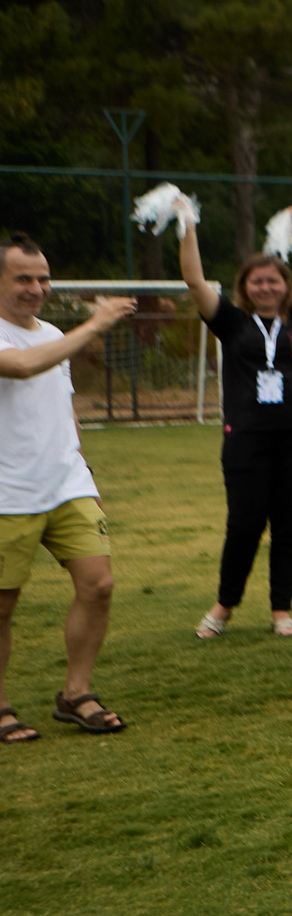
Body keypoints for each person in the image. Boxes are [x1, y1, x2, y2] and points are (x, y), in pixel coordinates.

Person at [178, 205, 292, 640]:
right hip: (247, 437)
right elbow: (194, 280)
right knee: (245, 523)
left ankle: (281, 610)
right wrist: (188, 224)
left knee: (290, 525)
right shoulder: (231, 321)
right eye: (257, 281)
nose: (266, 287)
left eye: (273, 281)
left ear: (286, 285)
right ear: (245, 287)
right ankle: (223, 607)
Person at [0, 234, 135, 739]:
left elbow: (63, 407)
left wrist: (85, 472)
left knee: (98, 586)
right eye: (23, 278)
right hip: (7, 493)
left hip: (67, 485)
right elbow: (22, 366)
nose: (36, 288)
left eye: (43, 279)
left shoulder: (55, 333)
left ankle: (76, 693)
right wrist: (96, 323)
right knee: (2, 605)